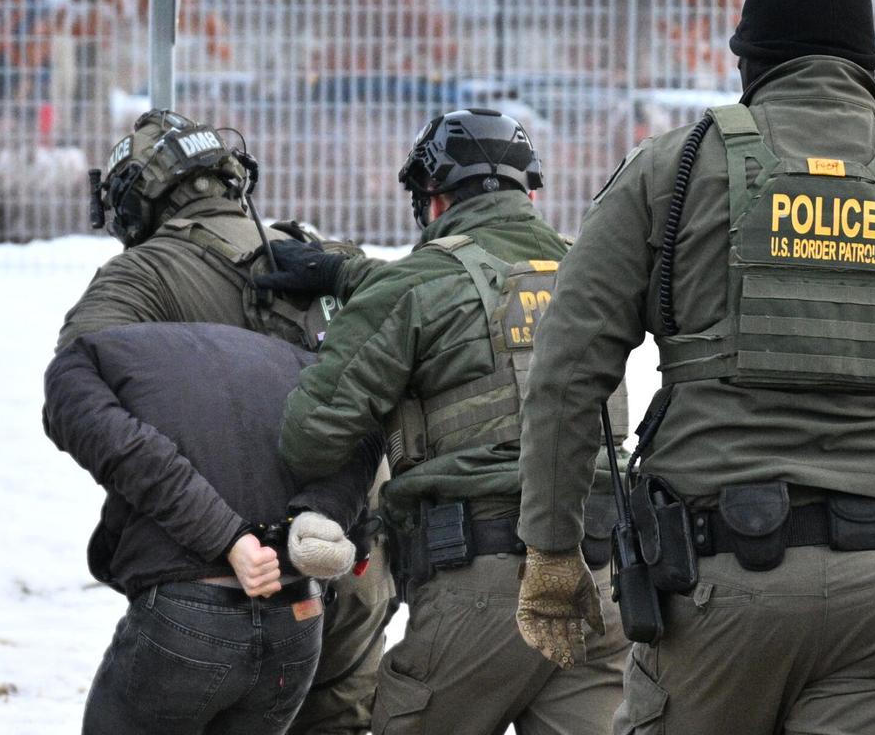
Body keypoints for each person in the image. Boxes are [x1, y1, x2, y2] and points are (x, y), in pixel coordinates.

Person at [512, 0, 875, 735]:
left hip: (715, 594)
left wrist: (551, 551)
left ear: (751, 64)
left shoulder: (670, 173)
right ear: (869, 64)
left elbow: (568, 373)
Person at [265, 108, 630, 734]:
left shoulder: (414, 285)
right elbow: (487, 286)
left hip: (487, 585)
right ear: (530, 193)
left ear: (432, 203)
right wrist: (353, 274)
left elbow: (310, 435)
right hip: (603, 576)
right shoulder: (590, 269)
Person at [56, 109, 394, 735]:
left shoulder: (144, 273)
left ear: (138, 199)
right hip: (350, 551)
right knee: (340, 717)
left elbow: (78, 383)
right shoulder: (321, 258)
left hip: (229, 569)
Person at [43, 322, 381, 734]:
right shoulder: (295, 359)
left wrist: (229, 539)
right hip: (299, 616)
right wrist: (322, 516)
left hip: (189, 620)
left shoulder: (75, 367)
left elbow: (133, 454)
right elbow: (363, 430)